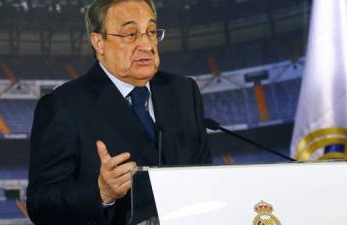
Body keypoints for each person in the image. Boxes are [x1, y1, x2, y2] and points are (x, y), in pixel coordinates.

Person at [26, 0, 212, 224]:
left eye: (151, 32)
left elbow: (205, 177)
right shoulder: (63, 105)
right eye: (130, 34)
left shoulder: (184, 91)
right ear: (99, 42)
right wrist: (101, 193)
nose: (146, 44)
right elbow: (40, 204)